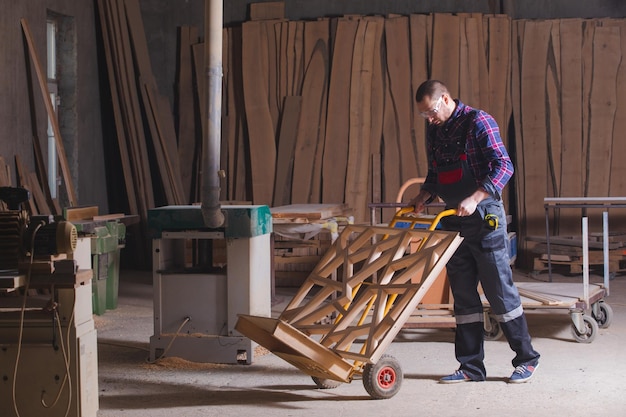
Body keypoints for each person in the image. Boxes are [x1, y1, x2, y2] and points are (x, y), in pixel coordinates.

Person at [409, 79, 540, 384]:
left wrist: (476, 196)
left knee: (499, 294)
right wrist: (424, 195)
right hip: (453, 220)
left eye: (430, 111)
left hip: (484, 218)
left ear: (444, 98)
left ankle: (527, 359)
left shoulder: (478, 121)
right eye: (423, 115)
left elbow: (504, 166)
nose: (428, 119)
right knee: (464, 298)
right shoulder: (435, 129)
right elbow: (436, 172)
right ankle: (470, 367)